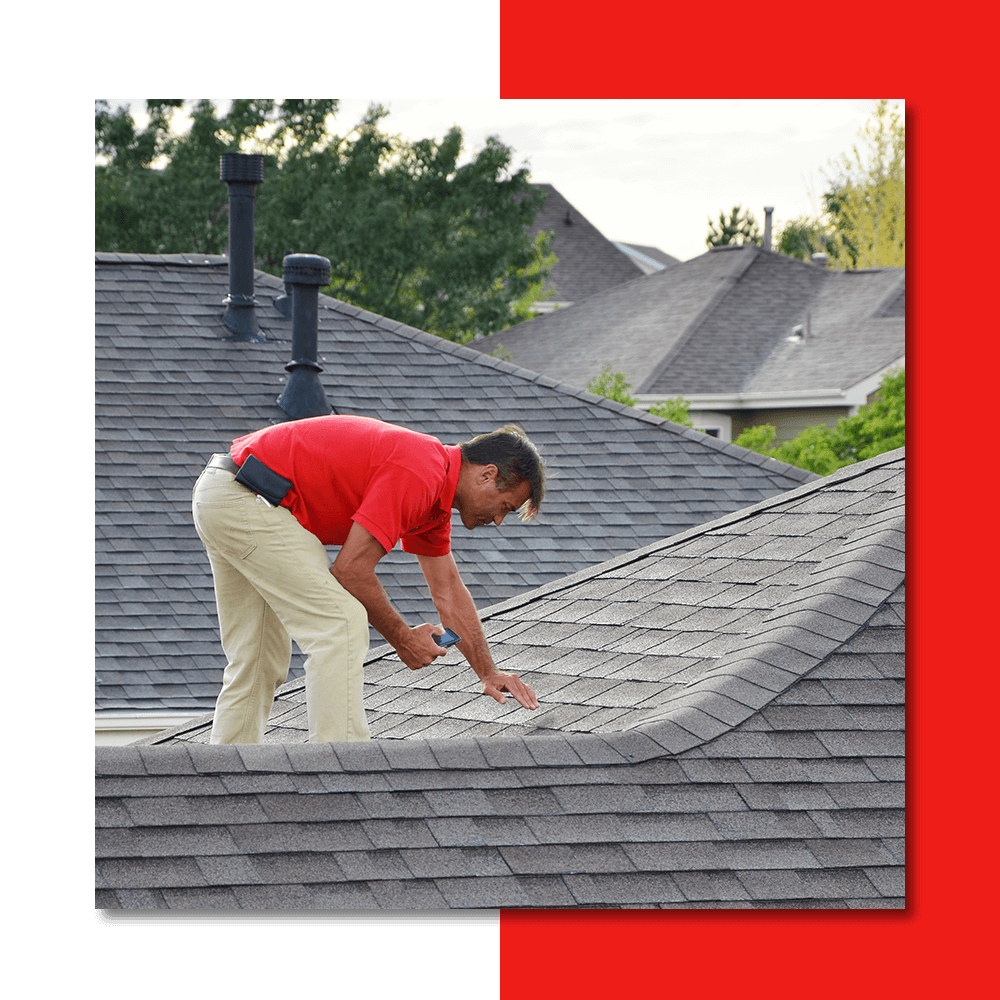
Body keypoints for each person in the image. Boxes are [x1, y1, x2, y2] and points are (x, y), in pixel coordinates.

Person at [191, 414, 545, 744]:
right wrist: (403, 639)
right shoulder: (421, 471)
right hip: (249, 499)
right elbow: (350, 572)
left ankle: (225, 774)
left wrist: (488, 673)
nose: (498, 520)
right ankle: (342, 774)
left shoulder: (433, 499)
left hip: (225, 493)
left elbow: (448, 591)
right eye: (505, 507)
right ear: (486, 474)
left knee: (258, 658)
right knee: (341, 623)